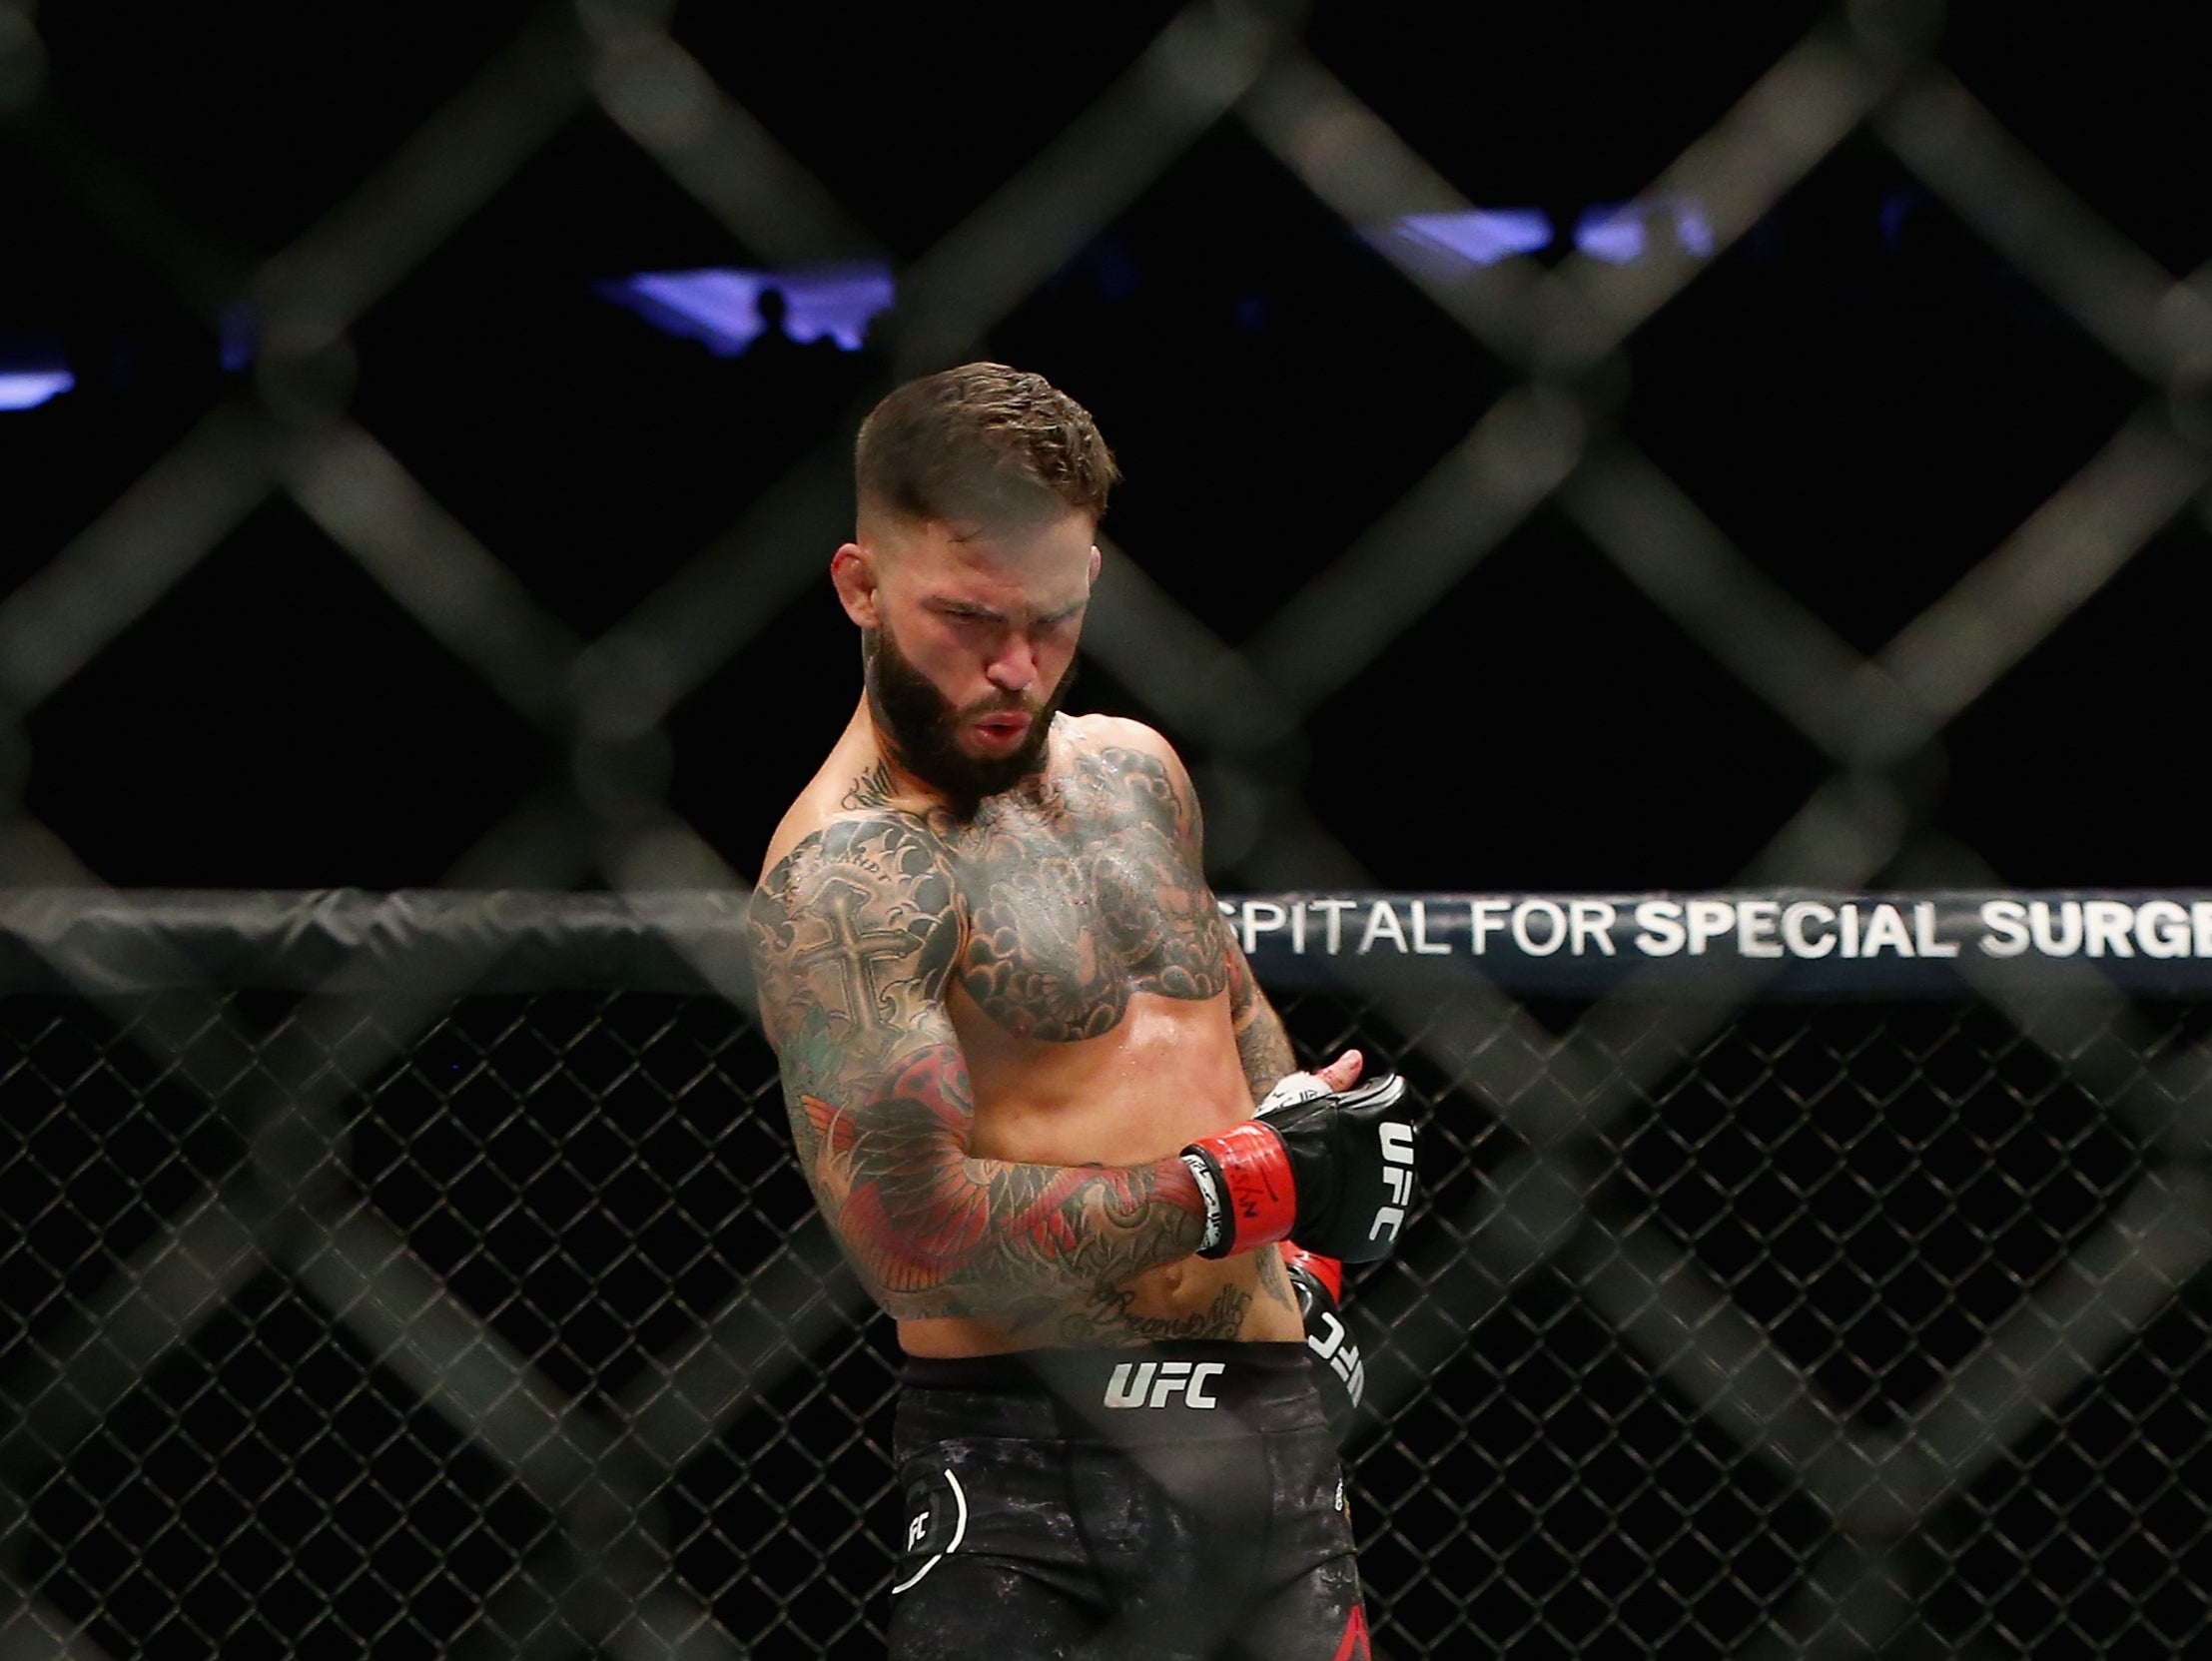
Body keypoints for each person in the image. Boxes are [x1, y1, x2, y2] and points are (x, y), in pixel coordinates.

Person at [745, 362, 1420, 1660]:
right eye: (969, 620)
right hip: (1027, 1464)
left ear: (1094, 576)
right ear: (860, 587)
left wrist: (1305, 1221)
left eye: (1051, 621)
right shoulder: (848, 874)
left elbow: (1222, 1008)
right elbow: (910, 1237)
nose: (1013, 667)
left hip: (1267, 1441)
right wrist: (1240, 1187)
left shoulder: (1138, 773)